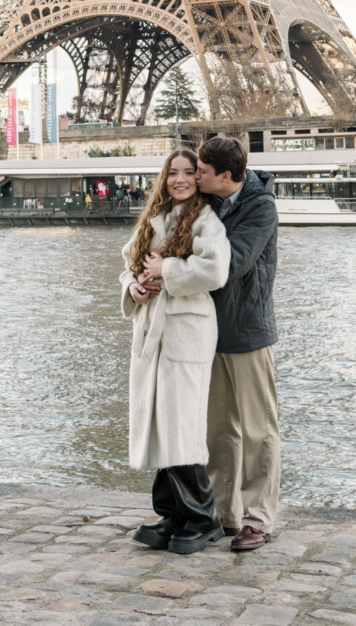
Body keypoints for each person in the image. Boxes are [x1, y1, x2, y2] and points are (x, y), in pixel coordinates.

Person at [121, 149, 230, 555]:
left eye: (188, 173)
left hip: (186, 329)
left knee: (180, 421)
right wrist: (133, 285)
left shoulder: (205, 220)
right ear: (163, 178)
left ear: (198, 179)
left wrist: (163, 271)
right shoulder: (155, 217)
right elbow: (129, 263)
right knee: (159, 420)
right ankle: (173, 513)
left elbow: (214, 272)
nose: (180, 179)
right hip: (154, 328)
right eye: (173, 173)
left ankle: (204, 517)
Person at [195, 136, 279, 552]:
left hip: (247, 331)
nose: (195, 176)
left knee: (258, 429)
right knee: (218, 429)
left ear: (225, 176)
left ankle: (258, 519)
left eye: (202, 171)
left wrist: (174, 265)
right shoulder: (210, 202)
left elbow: (234, 262)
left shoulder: (260, 207)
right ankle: (224, 514)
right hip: (211, 331)